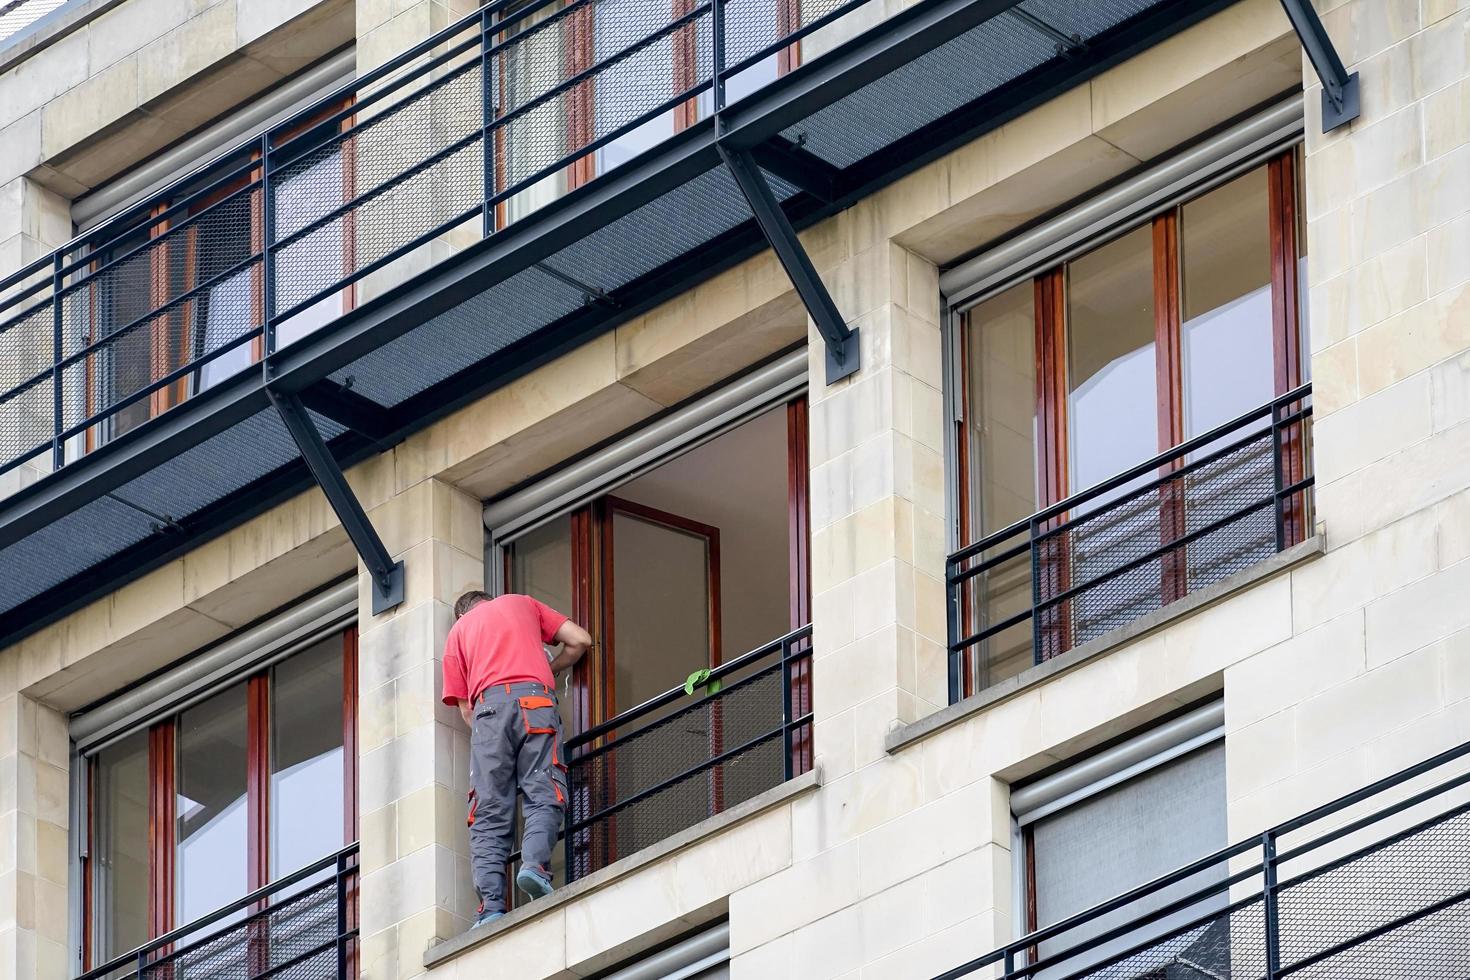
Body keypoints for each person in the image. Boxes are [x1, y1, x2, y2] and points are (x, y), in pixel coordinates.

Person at [441, 590, 592, 929]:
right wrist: (548, 668)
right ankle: (534, 867)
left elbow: (466, 709)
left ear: (462, 614)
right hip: (534, 702)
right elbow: (580, 640)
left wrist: (490, 733)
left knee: (489, 812)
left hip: (487, 713)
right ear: (489, 599)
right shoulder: (521, 603)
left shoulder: (458, 634)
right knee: (543, 789)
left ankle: (491, 908)